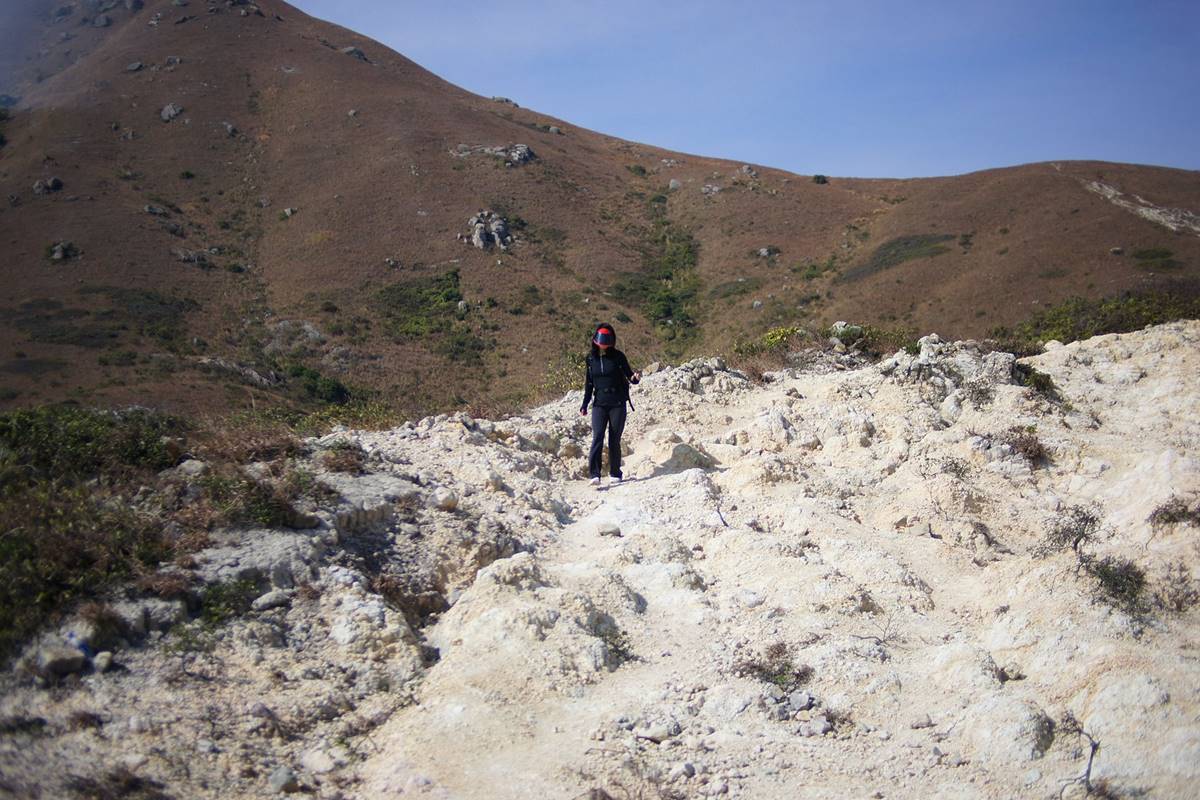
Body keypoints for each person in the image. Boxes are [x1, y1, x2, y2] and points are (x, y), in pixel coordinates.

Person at [579, 323, 641, 486]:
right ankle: (595, 474)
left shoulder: (618, 357)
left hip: (617, 403)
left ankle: (615, 473)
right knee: (598, 436)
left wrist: (635, 378)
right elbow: (589, 383)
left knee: (614, 438)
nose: (603, 346)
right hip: (599, 403)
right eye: (601, 343)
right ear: (595, 341)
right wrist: (585, 404)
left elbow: (630, 376)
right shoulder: (590, 359)